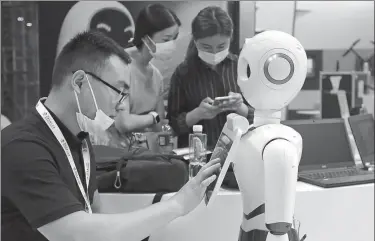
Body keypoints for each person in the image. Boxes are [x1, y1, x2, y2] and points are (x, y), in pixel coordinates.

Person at [1, 30, 221, 241]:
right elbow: (75, 234)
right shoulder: (22, 147)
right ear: (79, 82)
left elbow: (94, 215)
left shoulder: (79, 139)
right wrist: (177, 205)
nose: (120, 104)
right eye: (118, 91)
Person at [167, 6, 254, 149]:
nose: (214, 53)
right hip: (197, 157)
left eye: (221, 47)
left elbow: (262, 119)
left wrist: (241, 107)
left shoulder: (242, 67)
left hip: (239, 153)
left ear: (230, 38)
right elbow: (172, 126)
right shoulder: (183, 73)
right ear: (195, 41)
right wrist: (197, 114)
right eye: (206, 47)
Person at [116, 3, 181, 134]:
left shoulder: (156, 76)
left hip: (145, 150)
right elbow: (123, 123)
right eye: (166, 39)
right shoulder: (119, 66)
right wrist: (152, 117)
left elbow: (160, 124)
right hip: (116, 150)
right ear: (146, 39)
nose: (171, 44)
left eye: (174, 38)